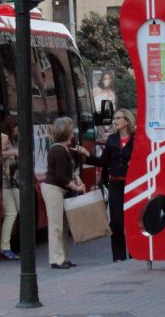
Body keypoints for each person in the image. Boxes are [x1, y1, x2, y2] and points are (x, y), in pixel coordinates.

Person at [78, 108, 135, 262]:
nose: (114, 121)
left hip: (133, 184)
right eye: (114, 118)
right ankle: (118, 257)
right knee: (116, 221)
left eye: (118, 118)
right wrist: (87, 155)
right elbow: (103, 162)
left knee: (133, 220)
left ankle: (135, 253)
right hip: (115, 183)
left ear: (127, 121)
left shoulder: (137, 139)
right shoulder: (112, 140)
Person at [41, 117, 86, 269]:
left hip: (58, 188)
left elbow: (67, 171)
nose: (73, 132)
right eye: (71, 129)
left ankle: (64, 257)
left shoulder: (62, 148)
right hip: (54, 188)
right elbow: (60, 176)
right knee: (56, 225)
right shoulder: (59, 150)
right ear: (66, 131)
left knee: (64, 226)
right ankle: (56, 259)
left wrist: (76, 178)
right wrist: (76, 187)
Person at [0, 115, 20, 260]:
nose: (19, 130)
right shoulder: (5, 137)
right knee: (12, 213)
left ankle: (7, 245)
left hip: (11, 181)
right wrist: (13, 152)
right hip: (6, 182)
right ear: (12, 126)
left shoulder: (10, 138)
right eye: (18, 127)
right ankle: (5, 247)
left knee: (14, 212)